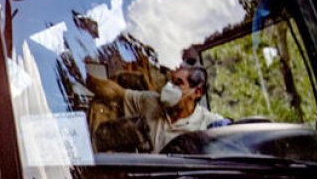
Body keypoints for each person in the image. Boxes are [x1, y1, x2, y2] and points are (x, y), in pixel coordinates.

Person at [88, 64, 227, 152]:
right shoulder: (150, 101)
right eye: (170, 81)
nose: (169, 88)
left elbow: (236, 136)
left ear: (196, 92)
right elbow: (115, 93)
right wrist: (84, 77)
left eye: (178, 83)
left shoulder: (208, 123)